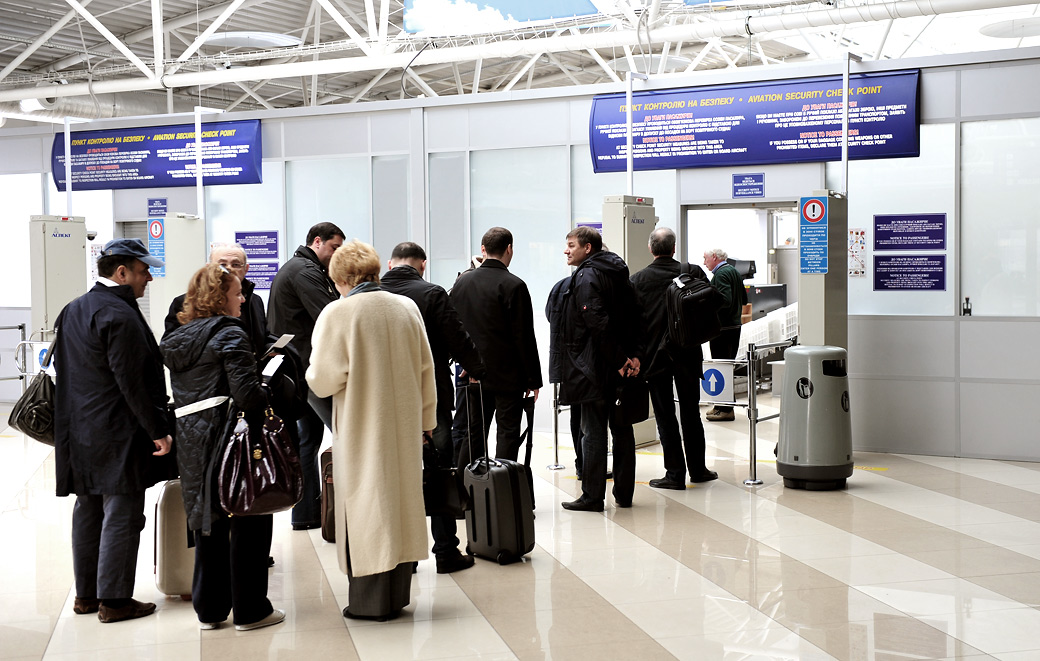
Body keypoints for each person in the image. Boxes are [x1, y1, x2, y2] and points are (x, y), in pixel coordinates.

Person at [306, 240, 436, 622]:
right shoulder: (406, 307)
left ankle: (370, 601)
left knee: (367, 507)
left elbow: (323, 378)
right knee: (401, 504)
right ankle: (398, 595)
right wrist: (427, 422)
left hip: (364, 426)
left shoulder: (339, 312)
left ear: (344, 277)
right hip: (406, 425)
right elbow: (426, 370)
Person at [53, 238, 173, 623]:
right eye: (143, 271)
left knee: (88, 509)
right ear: (121, 272)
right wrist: (157, 429)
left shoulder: (73, 309)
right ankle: (116, 600)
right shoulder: (119, 315)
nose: (148, 278)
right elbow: (132, 381)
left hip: (80, 430)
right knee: (122, 511)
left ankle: (86, 596)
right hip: (118, 430)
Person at [160, 264, 285, 632]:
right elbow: (246, 394)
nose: (243, 299)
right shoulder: (230, 332)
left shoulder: (180, 337)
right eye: (236, 293)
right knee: (248, 514)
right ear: (219, 297)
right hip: (232, 438)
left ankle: (210, 609)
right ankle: (251, 610)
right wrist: (267, 388)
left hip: (192, 439)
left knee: (208, 522)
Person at [380, 241, 486, 574]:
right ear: (422, 265)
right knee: (438, 468)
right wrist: (477, 368)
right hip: (429, 395)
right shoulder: (432, 293)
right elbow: (458, 338)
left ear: (390, 263)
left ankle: (404, 557)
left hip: (385, 400)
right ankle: (445, 550)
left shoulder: (372, 295)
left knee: (396, 474)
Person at [557, 227, 642, 512]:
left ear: (588, 248)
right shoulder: (618, 271)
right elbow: (635, 316)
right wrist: (633, 357)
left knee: (592, 432)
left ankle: (592, 496)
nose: (566, 250)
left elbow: (596, 322)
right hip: (621, 364)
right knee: (622, 427)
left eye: (571, 245)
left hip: (595, 367)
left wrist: (618, 360)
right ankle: (624, 493)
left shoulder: (586, 275)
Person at [267, 222, 345, 530]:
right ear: (317, 242)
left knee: (307, 441)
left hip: (299, 370)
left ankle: (307, 513)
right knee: (344, 431)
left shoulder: (301, 268)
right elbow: (330, 316)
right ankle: (323, 511)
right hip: (308, 371)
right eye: (334, 247)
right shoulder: (305, 272)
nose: (336, 254)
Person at [631, 228, 718, 489]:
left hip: (655, 358)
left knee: (665, 415)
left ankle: (674, 474)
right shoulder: (692, 272)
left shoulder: (637, 280)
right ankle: (698, 469)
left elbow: (633, 324)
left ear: (650, 249)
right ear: (674, 248)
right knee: (691, 412)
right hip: (688, 353)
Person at [450, 227, 541, 463]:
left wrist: (464, 364)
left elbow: (454, 329)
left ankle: (466, 489)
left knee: (474, 433)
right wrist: (533, 379)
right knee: (507, 433)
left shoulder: (462, 283)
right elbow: (523, 337)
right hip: (508, 377)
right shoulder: (514, 285)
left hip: (472, 374)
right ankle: (503, 489)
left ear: (483, 249)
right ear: (509, 249)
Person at [164, 243, 267, 357]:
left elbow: (262, 336)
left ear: (246, 269)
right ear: (209, 268)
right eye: (222, 264)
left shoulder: (254, 300)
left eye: (236, 264)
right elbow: (172, 349)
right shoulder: (185, 302)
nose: (229, 268)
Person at [546, 275, 584, 479]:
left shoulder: (560, 286)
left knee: (577, 414)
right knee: (591, 418)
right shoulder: (604, 282)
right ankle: (588, 464)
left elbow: (549, 315)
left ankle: (582, 463)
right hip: (590, 362)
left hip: (568, 363)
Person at [703, 248, 748, 422]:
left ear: (714, 257)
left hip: (723, 329)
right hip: (734, 326)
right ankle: (723, 405)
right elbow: (743, 299)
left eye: (706, 258)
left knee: (721, 367)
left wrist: (707, 307)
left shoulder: (721, 275)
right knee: (726, 366)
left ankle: (725, 409)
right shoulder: (733, 271)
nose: (704, 261)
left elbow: (725, 301)